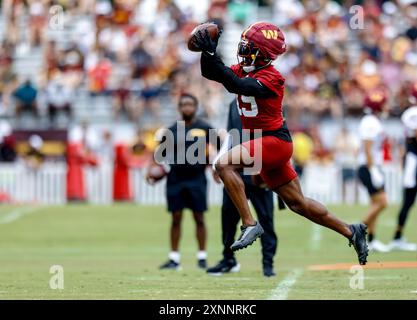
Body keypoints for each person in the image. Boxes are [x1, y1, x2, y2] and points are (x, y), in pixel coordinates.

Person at [194, 22, 368, 265]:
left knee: (223, 165)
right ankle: (351, 230)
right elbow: (211, 72)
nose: (244, 50)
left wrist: (215, 58)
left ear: (264, 52)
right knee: (298, 203)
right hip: (264, 143)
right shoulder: (248, 69)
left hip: (275, 141)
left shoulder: (272, 76)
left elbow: (236, 84)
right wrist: (208, 52)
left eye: (249, 47)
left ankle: (249, 223)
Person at [146, 93, 217, 270]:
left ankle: (202, 257)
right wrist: (153, 170)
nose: (187, 108)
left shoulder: (206, 127)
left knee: (199, 217)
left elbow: (218, 151)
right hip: (176, 178)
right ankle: (174, 258)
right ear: (179, 108)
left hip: (197, 178)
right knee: (176, 217)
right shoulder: (171, 130)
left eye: (190, 105)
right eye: (184, 105)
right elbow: (159, 155)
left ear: (196, 107)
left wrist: (215, 169)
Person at [207, 99, 277, 277]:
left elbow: (276, 133)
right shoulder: (233, 103)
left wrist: (271, 166)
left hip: (258, 167)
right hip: (234, 169)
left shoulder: (266, 98)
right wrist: (219, 162)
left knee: (266, 218)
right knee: (228, 218)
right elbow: (231, 136)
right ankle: (228, 259)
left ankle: (268, 263)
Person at [357, 89, 390, 252]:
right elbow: (368, 148)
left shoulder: (371, 121)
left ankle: (372, 239)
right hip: (369, 167)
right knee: (383, 203)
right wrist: (373, 170)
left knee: (376, 203)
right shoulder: (371, 123)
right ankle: (357, 230)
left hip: (369, 166)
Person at [388, 83, 417, 251]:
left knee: (408, 202)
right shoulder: (412, 113)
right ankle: (397, 237)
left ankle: (398, 236)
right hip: (414, 160)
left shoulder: (409, 113)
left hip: (412, 159)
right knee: (408, 201)